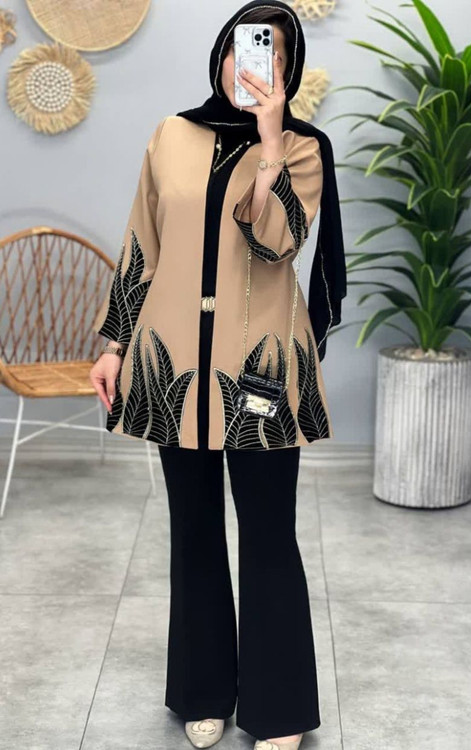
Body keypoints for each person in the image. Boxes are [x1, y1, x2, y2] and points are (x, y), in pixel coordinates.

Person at [90, 1, 346, 748]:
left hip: (259, 368)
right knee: (193, 529)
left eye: (270, 53)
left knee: (268, 534)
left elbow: (275, 244)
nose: (250, 64)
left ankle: (278, 711)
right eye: (241, 49)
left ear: (288, 70)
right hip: (171, 365)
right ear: (220, 56)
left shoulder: (303, 148)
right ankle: (203, 691)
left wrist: (269, 143)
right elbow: (142, 241)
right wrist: (113, 342)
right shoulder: (171, 135)